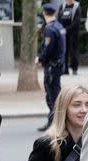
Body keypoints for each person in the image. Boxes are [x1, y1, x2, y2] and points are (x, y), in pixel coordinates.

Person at [36, 3, 67, 132]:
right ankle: (57, 121)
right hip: (58, 65)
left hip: (51, 67)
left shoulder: (49, 29)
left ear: (44, 13)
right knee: (55, 93)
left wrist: (40, 58)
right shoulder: (59, 26)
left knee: (51, 95)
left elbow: (48, 48)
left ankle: (55, 123)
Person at [56, 0, 81, 75]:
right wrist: (60, 29)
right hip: (63, 33)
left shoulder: (76, 6)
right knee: (64, 50)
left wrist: (66, 29)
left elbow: (77, 21)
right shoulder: (62, 6)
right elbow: (59, 18)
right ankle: (65, 69)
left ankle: (74, 68)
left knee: (73, 50)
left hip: (73, 33)